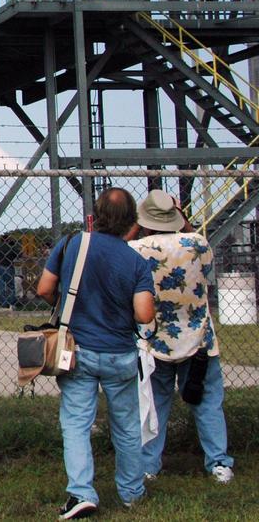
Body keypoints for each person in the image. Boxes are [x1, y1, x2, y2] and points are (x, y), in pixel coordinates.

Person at [37, 187, 155, 519]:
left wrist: (65, 308)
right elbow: (144, 315)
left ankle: (81, 492)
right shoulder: (136, 261)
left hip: (77, 351)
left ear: (95, 215)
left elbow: (44, 288)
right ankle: (132, 492)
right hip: (119, 353)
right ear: (131, 223)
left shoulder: (72, 244)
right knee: (127, 426)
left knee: (75, 423)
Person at [130, 189, 234, 484]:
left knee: (155, 405)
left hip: (155, 340)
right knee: (207, 401)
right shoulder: (197, 244)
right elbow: (208, 264)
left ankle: (149, 464)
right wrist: (183, 218)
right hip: (199, 338)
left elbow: (121, 256)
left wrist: (138, 224)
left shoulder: (138, 248)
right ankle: (218, 463)